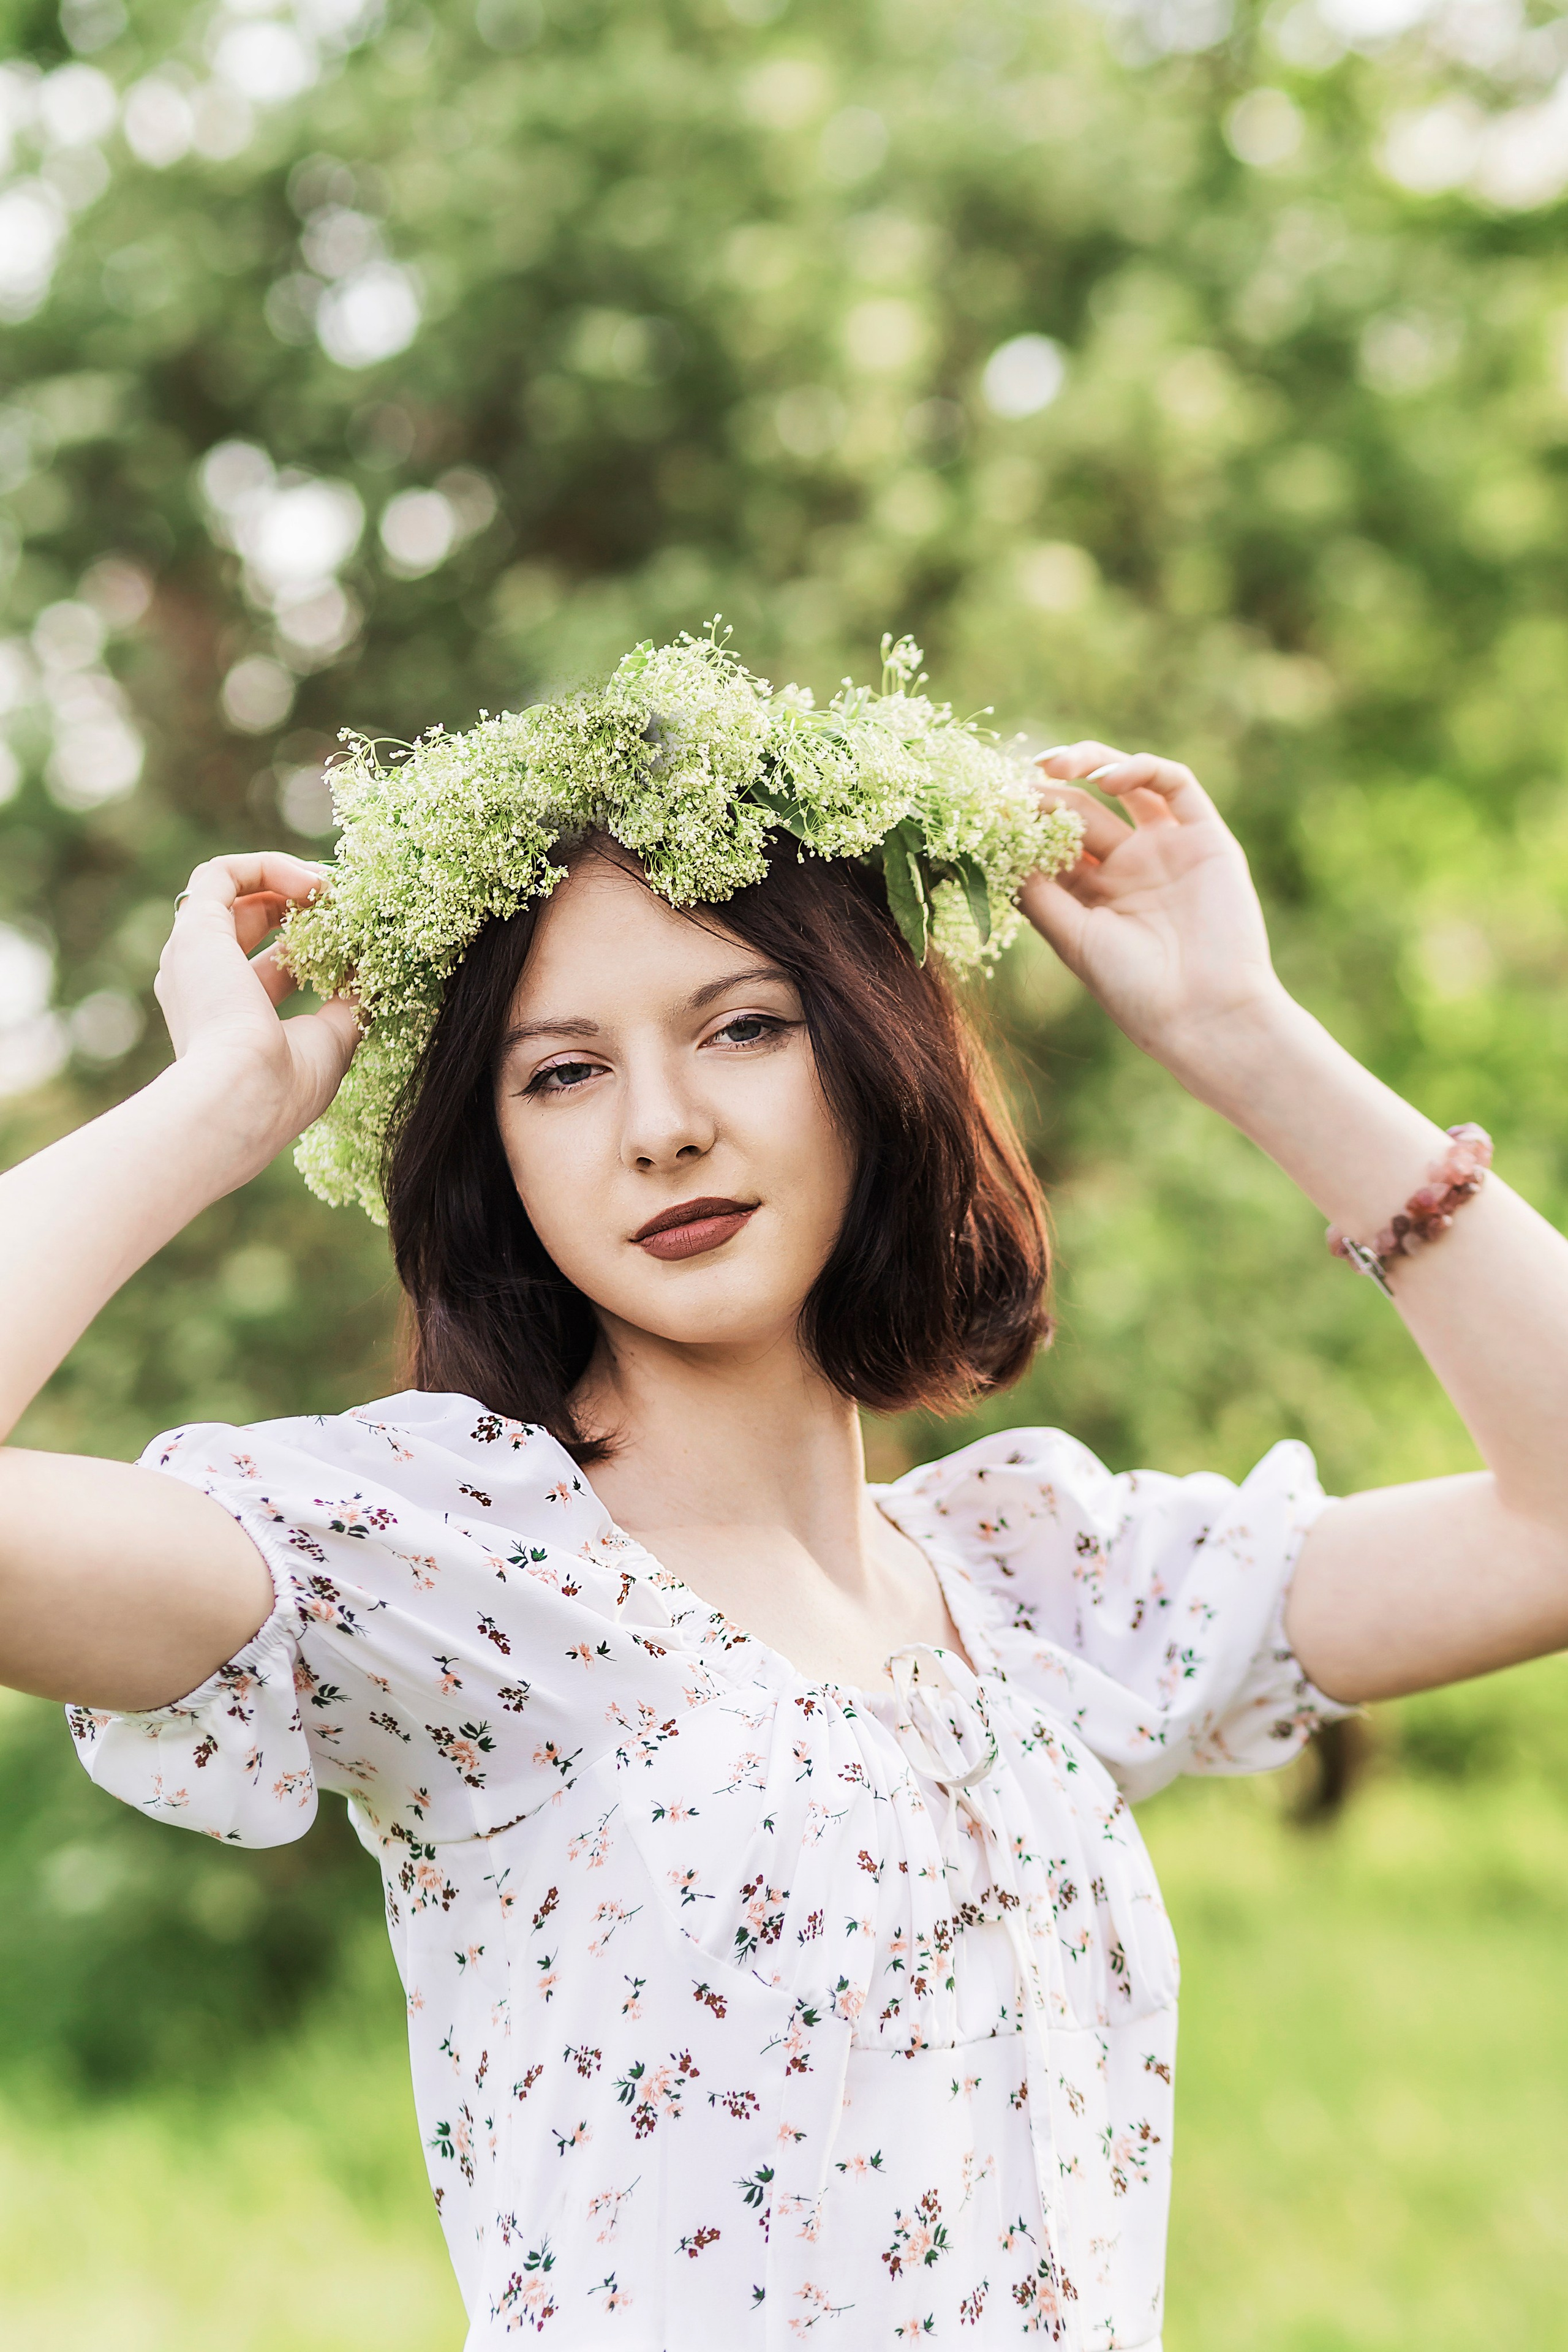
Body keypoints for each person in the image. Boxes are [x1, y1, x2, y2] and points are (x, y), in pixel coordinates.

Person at [2, 631, 1566, 2352]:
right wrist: (208, 1109)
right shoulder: (443, 1561)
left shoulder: (1038, 1583)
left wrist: (1244, 1036)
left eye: (742, 1026)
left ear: (870, 1062)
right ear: (497, 1154)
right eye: (563, 1071)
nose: (662, 1126)